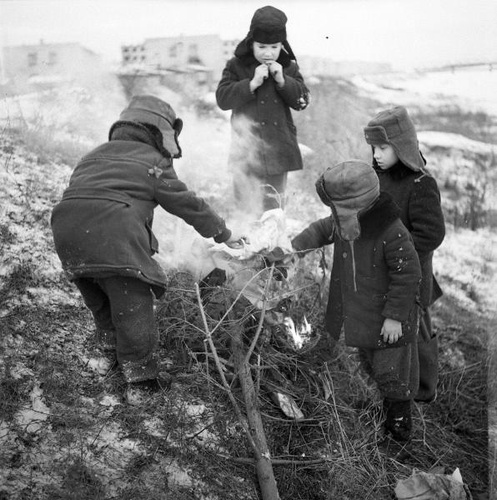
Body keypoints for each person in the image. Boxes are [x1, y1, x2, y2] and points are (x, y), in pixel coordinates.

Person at [51, 95, 246, 405]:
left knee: (101, 299)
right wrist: (224, 233)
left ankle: (106, 358)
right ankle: (142, 382)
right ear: (162, 134)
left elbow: (82, 193)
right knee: (133, 308)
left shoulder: (92, 155)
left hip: (68, 235)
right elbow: (188, 205)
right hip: (114, 238)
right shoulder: (154, 162)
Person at [290, 160, 422, 450]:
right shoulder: (343, 224)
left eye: (337, 209)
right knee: (373, 365)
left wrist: (395, 317)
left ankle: (399, 431)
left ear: (356, 206)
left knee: (394, 374)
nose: (333, 216)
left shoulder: (392, 232)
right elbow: (319, 230)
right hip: (365, 317)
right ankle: (385, 408)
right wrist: (294, 248)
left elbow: (409, 274)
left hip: (391, 322)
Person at [364, 106, 445, 403]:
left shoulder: (421, 183)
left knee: (418, 331)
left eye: (383, 147)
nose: (376, 154)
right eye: (374, 147)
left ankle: (424, 390)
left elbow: (432, 234)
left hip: (413, 275)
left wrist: (395, 248)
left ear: (402, 146)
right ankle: (393, 380)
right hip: (385, 274)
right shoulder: (377, 177)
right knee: (398, 332)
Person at [216, 5, 310, 217]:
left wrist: (283, 80)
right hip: (246, 154)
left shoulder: (289, 68)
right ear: (251, 43)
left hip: (278, 153)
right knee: (245, 211)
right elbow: (222, 99)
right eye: (261, 47)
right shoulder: (236, 66)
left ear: (282, 45)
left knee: (273, 213)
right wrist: (252, 83)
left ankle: (271, 249)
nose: (268, 53)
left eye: (274, 47)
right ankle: (246, 248)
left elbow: (302, 101)